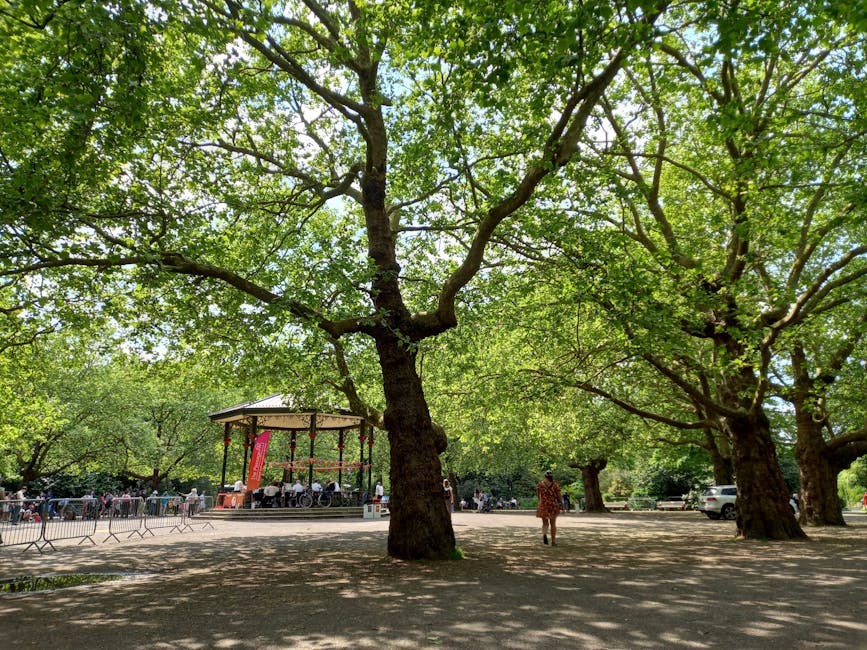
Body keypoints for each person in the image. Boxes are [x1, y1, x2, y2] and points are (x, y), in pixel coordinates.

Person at [536, 470, 563, 546]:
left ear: (545, 476)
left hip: (543, 505)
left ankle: (544, 535)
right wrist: (561, 503)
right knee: (553, 523)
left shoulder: (540, 484)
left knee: (545, 523)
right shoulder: (555, 484)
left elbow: (539, 495)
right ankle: (553, 541)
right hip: (553, 505)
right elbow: (559, 495)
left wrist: (540, 503)